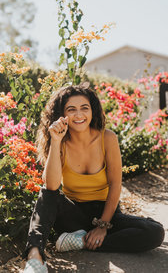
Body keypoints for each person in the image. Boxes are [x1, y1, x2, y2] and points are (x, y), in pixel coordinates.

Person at [23, 83, 165, 273]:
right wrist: (55, 142)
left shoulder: (108, 138)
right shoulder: (60, 141)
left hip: (107, 213)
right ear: (62, 114)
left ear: (92, 111)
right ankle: (34, 257)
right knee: (47, 194)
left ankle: (81, 241)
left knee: (155, 232)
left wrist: (103, 226)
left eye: (84, 108)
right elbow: (51, 185)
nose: (79, 115)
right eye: (71, 109)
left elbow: (115, 184)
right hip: (73, 214)